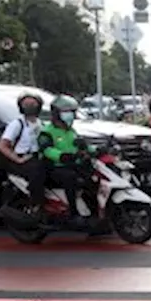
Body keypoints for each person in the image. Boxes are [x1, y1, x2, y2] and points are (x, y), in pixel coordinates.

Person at [39, 95, 95, 223]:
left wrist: (96, 150)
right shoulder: (47, 131)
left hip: (72, 164)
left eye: (71, 112)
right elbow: (46, 149)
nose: (69, 115)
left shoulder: (71, 131)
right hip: (54, 167)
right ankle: (73, 213)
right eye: (66, 112)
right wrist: (61, 156)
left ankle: (93, 213)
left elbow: (82, 145)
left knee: (92, 177)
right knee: (70, 178)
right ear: (56, 113)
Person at [0, 91, 47, 208]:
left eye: (33, 104)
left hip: (37, 157)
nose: (30, 107)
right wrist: (18, 160)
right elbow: (2, 145)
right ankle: (36, 204)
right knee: (37, 172)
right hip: (21, 159)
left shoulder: (41, 124)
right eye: (26, 104)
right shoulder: (17, 124)